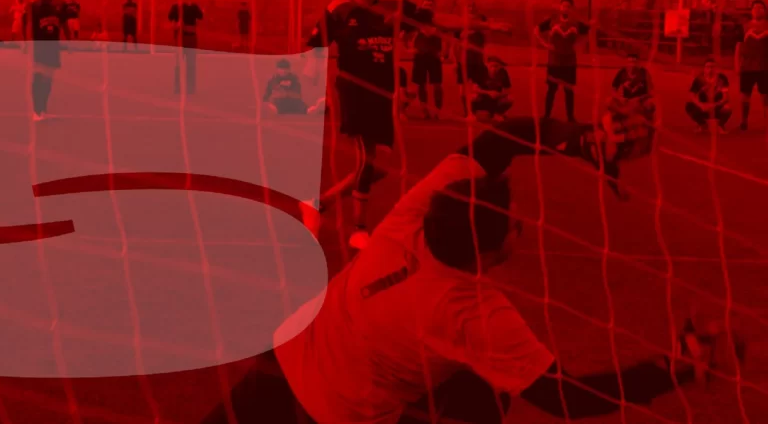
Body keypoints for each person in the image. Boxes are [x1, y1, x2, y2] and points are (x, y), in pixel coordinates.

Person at [202, 116, 716, 424]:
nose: (521, 227)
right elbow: (566, 399)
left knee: (471, 390)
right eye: (512, 227)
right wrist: (673, 368)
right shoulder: (472, 312)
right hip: (334, 414)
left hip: (282, 360)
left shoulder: (413, 216)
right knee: (483, 394)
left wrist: (580, 139)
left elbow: (499, 140)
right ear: (483, 253)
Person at [304, 0, 507, 249]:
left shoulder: (394, 3)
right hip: (353, 90)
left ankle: (319, 204)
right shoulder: (339, 8)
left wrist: (482, 24)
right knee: (367, 158)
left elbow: (436, 19)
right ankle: (359, 228)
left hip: (383, 92)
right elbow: (314, 46)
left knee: (381, 167)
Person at [25, 0, 71, 122]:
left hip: (53, 48)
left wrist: (70, 41)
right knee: (38, 78)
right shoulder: (33, 3)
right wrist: (28, 43)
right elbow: (29, 24)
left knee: (49, 80)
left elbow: (64, 24)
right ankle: (36, 110)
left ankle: (43, 109)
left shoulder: (60, 4)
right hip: (39, 47)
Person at [536, 0, 591, 123]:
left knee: (569, 90)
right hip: (554, 61)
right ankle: (547, 116)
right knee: (551, 90)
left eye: (568, 6)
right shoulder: (553, 20)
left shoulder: (576, 23)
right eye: (563, 5)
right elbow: (536, 29)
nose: (565, 8)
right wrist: (545, 44)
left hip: (569, 62)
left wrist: (581, 45)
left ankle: (570, 118)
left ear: (572, 9)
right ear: (560, 7)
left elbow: (588, 30)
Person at [734, 0, 768, 131]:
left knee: (765, 96)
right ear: (751, 11)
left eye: (761, 8)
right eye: (755, 7)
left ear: (765, 11)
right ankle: (744, 121)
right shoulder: (744, 27)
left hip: (765, 67)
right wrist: (737, 64)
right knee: (745, 95)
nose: (758, 10)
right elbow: (738, 46)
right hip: (747, 66)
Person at [410, 0, 443, 118]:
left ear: (434, 7)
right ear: (422, 6)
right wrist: (410, 48)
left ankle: (437, 111)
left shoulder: (438, 21)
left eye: (430, 5)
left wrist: (445, 52)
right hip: (420, 56)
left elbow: (447, 35)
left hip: (434, 56)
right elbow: (405, 35)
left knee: (437, 85)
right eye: (426, 5)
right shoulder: (416, 21)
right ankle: (425, 110)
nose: (428, 7)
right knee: (421, 84)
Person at [453, 12, 490, 117]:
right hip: (463, 62)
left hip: (477, 62)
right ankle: (467, 111)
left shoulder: (481, 32)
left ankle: (473, 110)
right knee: (462, 89)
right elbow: (456, 46)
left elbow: (485, 40)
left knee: (475, 88)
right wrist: (455, 62)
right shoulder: (462, 31)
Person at [168, 0, 203, 95]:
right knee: (178, 64)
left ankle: (190, 88)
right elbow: (171, 20)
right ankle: (177, 87)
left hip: (191, 38)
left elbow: (200, 17)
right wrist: (177, 25)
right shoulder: (176, 7)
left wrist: (189, 26)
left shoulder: (194, 7)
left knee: (191, 64)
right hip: (180, 38)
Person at [687, 58, 732, 133]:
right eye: (708, 67)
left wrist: (715, 105)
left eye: (713, 67)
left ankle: (720, 126)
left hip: (717, 105)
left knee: (727, 108)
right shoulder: (699, 79)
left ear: (716, 68)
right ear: (704, 68)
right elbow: (692, 95)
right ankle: (702, 124)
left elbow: (726, 97)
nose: (710, 69)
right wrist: (701, 105)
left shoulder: (722, 79)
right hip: (704, 106)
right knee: (689, 106)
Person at [610, 53, 656, 118]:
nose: (632, 65)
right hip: (626, 100)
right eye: (629, 62)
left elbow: (652, 92)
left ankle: (647, 121)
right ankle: (621, 116)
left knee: (651, 105)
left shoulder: (644, 73)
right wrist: (620, 98)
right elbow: (613, 90)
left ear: (638, 63)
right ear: (626, 63)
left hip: (640, 101)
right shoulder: (622, 72)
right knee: (609, 101)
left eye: (634, 62)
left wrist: (640, 98)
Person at [470, 56, 513, 122]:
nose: (494, 68)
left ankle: (497, 114)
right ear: (487, 65)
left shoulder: (503, 73)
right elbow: (474, 88)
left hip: (496, 98)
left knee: (510, 98)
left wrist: (499, 94)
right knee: (472, 96)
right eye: (492, 66)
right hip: (483, 97)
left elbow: (508, 90)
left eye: (497, 66)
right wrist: (488, 93)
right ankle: (472, 114)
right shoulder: (481, 72)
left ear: (500, 66)